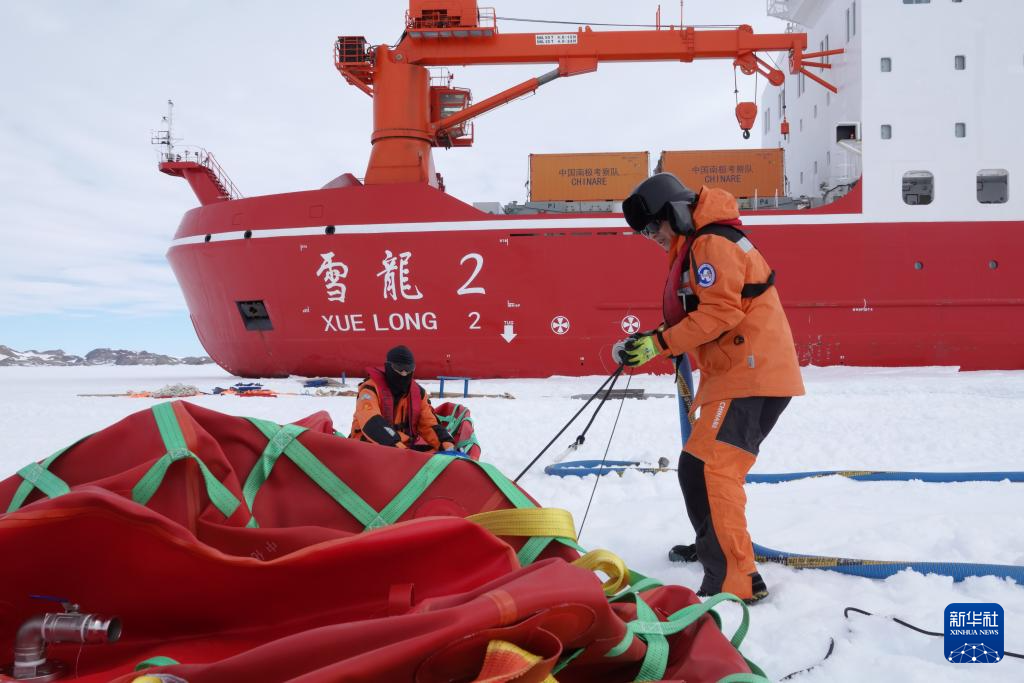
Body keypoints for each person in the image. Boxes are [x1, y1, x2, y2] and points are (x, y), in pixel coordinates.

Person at [615, 173, 805, 604]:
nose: (652, 237)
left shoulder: (712, 243)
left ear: (675, 213)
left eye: (653, 226)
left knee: (715, 471)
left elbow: (721, 314)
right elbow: (698, 314)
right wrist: (654, 340)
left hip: (751, 376)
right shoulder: (700, 243)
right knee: (694, 467)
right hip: (734, 375)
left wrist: (659, 344)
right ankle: (713, 550)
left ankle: (736, 580)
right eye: (644, 232)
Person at [350, 345, 456, 452]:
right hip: (367, 446)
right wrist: (400, 450)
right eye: (399, 369)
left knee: (435, 452)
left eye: (408, 370)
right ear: (388, 367)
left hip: (402, 446)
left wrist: (447, 444)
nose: (404, 374)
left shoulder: (418, 393)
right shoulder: (370, 390)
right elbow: (371, 422)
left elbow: (428, 423)